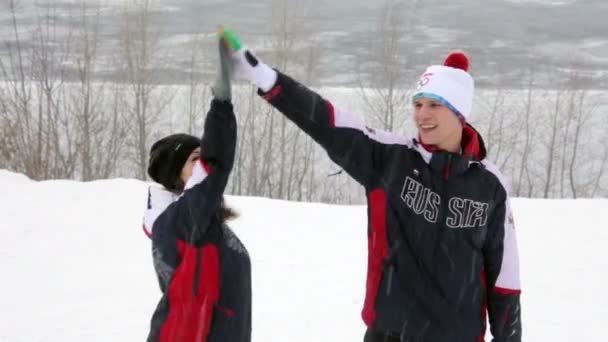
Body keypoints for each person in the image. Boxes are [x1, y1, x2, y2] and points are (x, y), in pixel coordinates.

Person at [221, 28, 522, 341]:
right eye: (417, 104)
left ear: (460, 114)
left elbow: (504, 277)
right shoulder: (391, 159)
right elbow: (328, 122)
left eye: (435, 105)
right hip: (390, 333)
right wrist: (268, 80)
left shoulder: (489, 185)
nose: (422, 115)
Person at [142, 35, 251, 342]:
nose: (203, 164)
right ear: (176, 177)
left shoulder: (198, 220)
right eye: (194, 159)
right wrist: (221, 102)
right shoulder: (180, 219)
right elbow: (217, 162)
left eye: (204, 156)